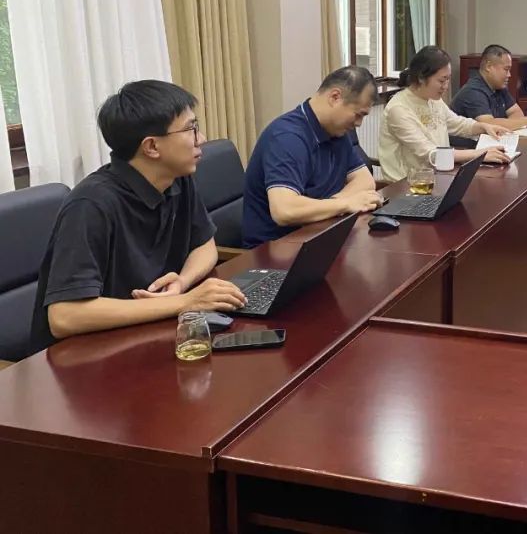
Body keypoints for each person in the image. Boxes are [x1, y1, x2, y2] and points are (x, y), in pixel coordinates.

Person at [29, 81, 247, 354]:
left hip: (144, 335)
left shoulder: (176, 179)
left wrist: (182, 282)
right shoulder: (91, 204)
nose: (201, 138)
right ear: (152, 147)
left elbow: (205, 245)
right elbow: (65, 316)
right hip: (84, 357)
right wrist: (184, 302)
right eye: (190, 129)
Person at [243, 66, 383, 247]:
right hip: (275, 250)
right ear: (335, 97)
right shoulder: (287, 138)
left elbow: (365, 180)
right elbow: (284, 210)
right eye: (358, 114)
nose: (359, 123)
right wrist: (346, 204)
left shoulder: (336, 131)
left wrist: (334, 205)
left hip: (320, 235)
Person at [379, 45, 511, 182]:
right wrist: (479, 154)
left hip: (438, 177)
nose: (446, 86)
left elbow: (457, 123)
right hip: (407, 185)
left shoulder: (432, 99)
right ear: (421, 78)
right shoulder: (399, 109)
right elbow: (431, 154)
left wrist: (483, 127)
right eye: (442, 81)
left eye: (448, 79)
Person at [451, 44, 527, 130]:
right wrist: (526, 121)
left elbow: (516, 112)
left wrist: (510, 124)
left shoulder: (499, 86)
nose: (509, 75)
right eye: (506, 69)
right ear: (488, 66)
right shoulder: (473, 91)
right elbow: (488, 124)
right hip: (468, 144)